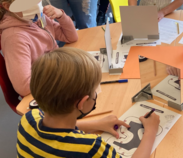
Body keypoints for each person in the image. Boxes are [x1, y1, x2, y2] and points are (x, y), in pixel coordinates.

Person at [17, 48, 161, 157]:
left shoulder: (28, 119)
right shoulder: (91, 147)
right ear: (82, 103)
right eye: (94, 92)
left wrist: (97, 124)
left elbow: (56, 129)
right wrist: (151, 131)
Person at [0, 0, 78, 96]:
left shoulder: (36, 18)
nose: (37, 5)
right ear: (8, 6)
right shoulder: (15, 38)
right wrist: (60, 75)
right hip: (44, 90)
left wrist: (61, 16)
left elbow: (70, 37)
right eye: (28, 2)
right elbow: (24, 87)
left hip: (56, 70)